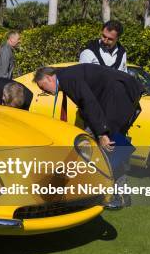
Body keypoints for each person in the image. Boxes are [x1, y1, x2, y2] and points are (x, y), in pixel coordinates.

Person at [34, 64, 144, 209]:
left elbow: (89, 102)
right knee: (107, 147)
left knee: (109, 147)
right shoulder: (67, 75)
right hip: (121, 96)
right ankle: (119, 194)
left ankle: (119, 195)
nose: (44, 91)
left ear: (49, 78)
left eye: (43, 87)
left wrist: (102, 133)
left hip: (119, 98)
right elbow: (88, 101)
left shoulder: (67, 78)